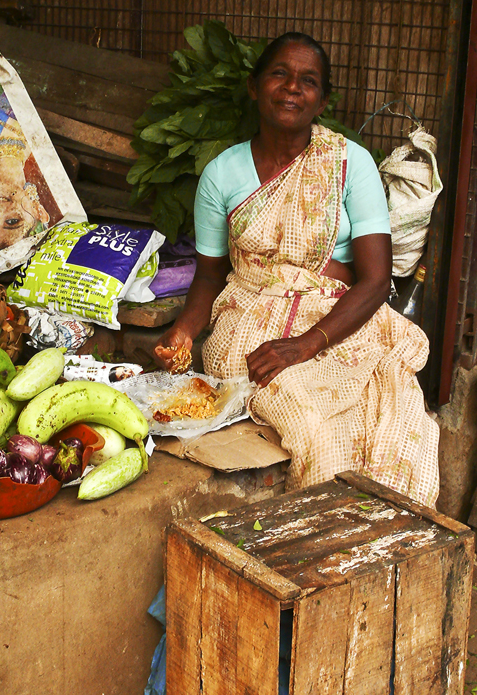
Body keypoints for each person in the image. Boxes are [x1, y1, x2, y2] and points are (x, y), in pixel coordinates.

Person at [154, 32, 439, 506]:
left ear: (322, 100)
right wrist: (183, 332)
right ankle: (317, 548)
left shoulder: (350, 164)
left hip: (338, 322)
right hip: (249, 327)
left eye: (308, 81)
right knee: (311, 427)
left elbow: (374, 281)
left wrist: (306, 344)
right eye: (279, 74)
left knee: (398, 421)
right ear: (254, 86)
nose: (292, 88)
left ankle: (381, 556)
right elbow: (209, 275)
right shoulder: (221, 174)